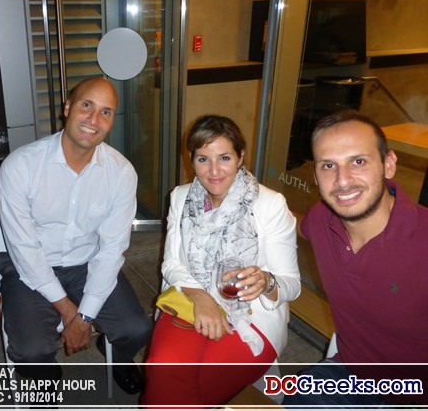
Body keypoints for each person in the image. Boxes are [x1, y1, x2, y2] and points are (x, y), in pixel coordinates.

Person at [0, 77, 152, 395]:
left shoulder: (121, 172)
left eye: (106, 112)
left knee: (137, 329)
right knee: (30, 350)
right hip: (30, 267)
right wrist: (72, 314)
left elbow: (112, 249)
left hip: (87, 263)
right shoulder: (21, 166)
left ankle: (118, 357)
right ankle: (45, 376)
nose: (94, 119)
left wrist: (84, 316)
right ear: (67, 107)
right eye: (86, 105)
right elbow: (24, 248)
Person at [142, 115, 301, 406]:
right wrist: (201, 297)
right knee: (164, 369)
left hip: (250, 318)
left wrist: (266, 282)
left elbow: (292, 284)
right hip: (189, 301)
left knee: (198, 387)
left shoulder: (270, 204)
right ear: (191, 160)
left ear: (241, 157)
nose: (214, 171)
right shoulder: (180, 198)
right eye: (203, 159)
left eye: (224, 158)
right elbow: (171, 264)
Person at [282, 111, 428, 407]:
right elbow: (297, 224)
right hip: (347, 373)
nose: (343, 180)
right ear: (316, 177)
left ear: (388, 164)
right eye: (328, 166)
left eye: (358, 161)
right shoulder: (322, 219)